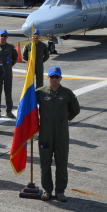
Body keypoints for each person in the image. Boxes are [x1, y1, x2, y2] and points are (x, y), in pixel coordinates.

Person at [36, 66, 80, 202]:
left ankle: (60, 191)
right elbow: (28, 107)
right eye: (52, 77)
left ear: (61, 78)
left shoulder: (67, 93)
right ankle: (47, 190)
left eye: (57, 77)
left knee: (61, 162)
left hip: (61, 133)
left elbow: (76, 109)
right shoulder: (39, 92)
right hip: (45, 133)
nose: (54, 79)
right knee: (45, 162)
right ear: (47, 77)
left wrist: (65, 118)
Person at [0, 30, 18, 118]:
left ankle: (9, 110)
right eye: (2, 36)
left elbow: (15, 58)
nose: (3, 37)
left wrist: (9, 66)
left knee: (8, 92)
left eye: (5, 36)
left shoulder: (11, 47)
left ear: (7, 37)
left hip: (8, 72)